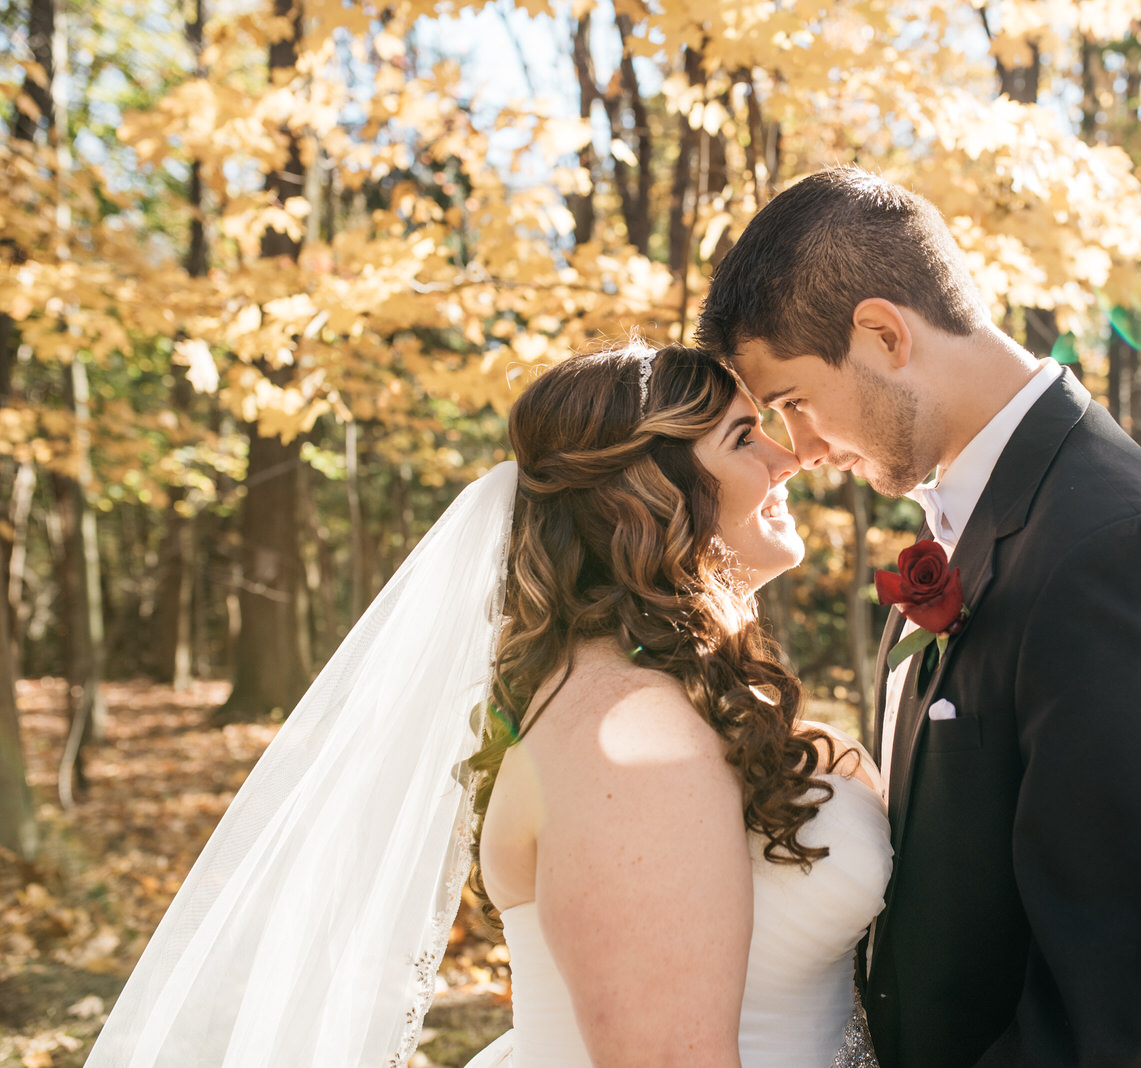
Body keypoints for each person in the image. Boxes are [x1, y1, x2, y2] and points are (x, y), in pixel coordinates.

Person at [85, 343, 892, 1068]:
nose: (787, 461)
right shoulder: (626, 731)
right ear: (647, 496)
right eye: (743, 439)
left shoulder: (678, 703)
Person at [697, 167, 1141, 1068]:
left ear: (884, 334)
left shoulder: (1115, 553)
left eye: (795, 401)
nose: (797, 446)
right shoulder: (983, 521)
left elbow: (1114, 1004)